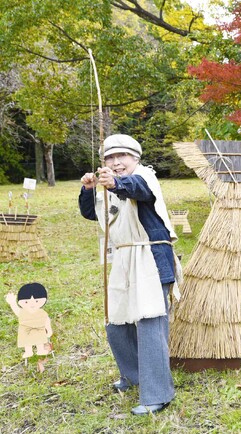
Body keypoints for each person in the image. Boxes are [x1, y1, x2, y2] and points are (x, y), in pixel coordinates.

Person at [79, 134, 180, 415]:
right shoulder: (110, 184)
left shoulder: (144, 177)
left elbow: (136, 189)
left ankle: (157, 393)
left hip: (150, 257)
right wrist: (89, 189)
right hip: (123, 258)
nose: (115, 162)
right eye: (109, 158)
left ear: (135, 158)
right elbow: (92, 213)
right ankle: (133, 375)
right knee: (117, 321)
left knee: (149, 323)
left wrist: (116, 182)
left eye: (121, 156)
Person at [5, 282, 53, 358]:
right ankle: (28, 351)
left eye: (37, 301)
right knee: (27, 342)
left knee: (39, 339)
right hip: (26, 330)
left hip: (39, 329)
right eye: (26, 302)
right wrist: (12, 303)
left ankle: (40, 350)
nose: (32, 304)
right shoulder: (23, 312)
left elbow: (46, 320)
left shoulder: (42, 312)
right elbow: (16, 310)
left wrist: (49, 329)